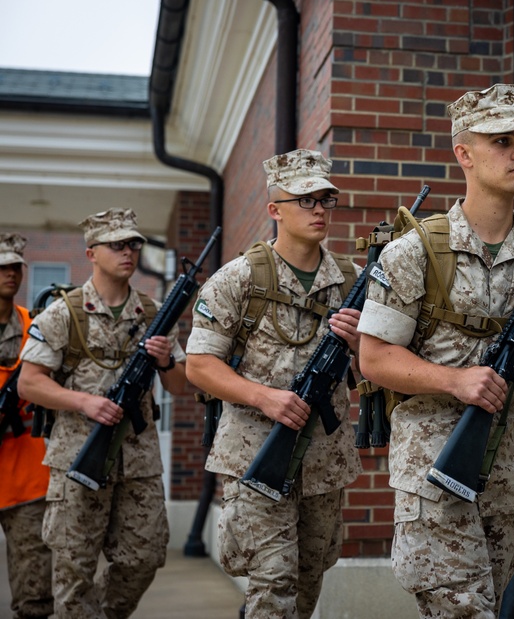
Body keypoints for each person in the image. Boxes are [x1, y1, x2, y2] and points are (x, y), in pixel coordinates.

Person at [357, 83, 514, 617]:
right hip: (436, 471)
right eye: (501, 141)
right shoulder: (412, 252)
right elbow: (372, 358)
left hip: (510, 478)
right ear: (463, 153)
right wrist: (454, 380)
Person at [184, 148, 363, 618]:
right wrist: (265, 397)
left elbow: (375, 373)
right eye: (305, 199)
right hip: (253, 455)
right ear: (274, 208)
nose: (319, 208)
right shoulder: (238, 279)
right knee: (274, 582)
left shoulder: (352, 281)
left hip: (324, 459)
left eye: (326, 198)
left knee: (305, 588)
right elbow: (200, 365)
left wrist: (362, 344)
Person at [18, 208, 186, 619]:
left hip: (138, 464)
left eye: (134, 244)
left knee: (143, 559)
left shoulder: (155, 313)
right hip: (78, 459)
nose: (128, 252)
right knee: (74, 570)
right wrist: (84, 402)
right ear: (91, 252)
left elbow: (182, 387)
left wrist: (166, 362)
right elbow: (29, 383)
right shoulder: (63, 313)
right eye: (117, 245)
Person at [0, 233, 53, 619]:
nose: (10, 273)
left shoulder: (35, 326)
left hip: (25, 476)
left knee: (35, 592)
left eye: (16, 266)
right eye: (2, 266)